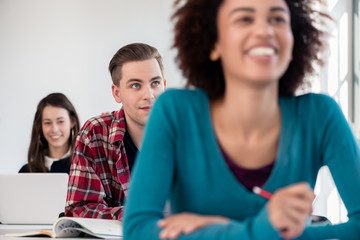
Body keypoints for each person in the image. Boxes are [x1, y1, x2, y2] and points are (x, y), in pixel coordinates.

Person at [123, 0, 360, 239]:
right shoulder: (175, 112)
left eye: (277, 19)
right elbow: (138, 230)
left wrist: (232, 229)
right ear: (214, 42)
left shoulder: (320, 115)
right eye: (244, 18)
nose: (265, 30)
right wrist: (260, 230)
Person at [65, 43, 166, 220]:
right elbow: (78, 210)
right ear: (117, 93)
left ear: (164, 86)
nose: (149, 95)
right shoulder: (94, 134)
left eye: (155, 83)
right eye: (136, 85)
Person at [19, 92, 80, 174]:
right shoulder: (27, 172)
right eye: (47, 123)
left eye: (60, 121)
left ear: (72, 122)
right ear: (40, 125)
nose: (54, 129)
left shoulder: (84, 166)